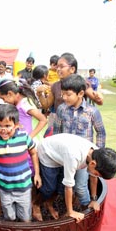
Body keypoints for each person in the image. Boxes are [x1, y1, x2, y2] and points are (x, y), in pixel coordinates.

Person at [43, 74, 106, 219]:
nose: (64, 98)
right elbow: (57, 131)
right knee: (63, 184)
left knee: (80, 187)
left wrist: (98, 153)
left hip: (85, 157)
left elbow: (101, 132)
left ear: (81, 93)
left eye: (68, 94)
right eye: (63, 94)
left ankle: (87, 211)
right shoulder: (62, 110)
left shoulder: (92, 111)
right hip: (65, 155)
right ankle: (65, 209)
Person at [36, 133, 116, 222]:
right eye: (98, 174)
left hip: (62, 155)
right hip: (48, 154)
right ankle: (35, 204)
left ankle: (48, 203)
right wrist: (70, 212)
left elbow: (93, 176)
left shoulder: (96, 154)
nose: (97, 176)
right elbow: (68, 187)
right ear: (92, 164)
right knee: (49, 188)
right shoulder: (74, 157)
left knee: (60, 187)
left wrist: (94, 200)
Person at [0, 79, 47, 220]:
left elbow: (43, 119)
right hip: (19, 146)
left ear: (11, 93)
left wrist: (28, 138)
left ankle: (32, 205)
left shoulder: (24, 104)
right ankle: (26, 204)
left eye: (4, 98)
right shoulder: (18, 104)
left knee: (31, 175)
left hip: (29, 147)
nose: (4, 101)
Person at [0, 104, 42, 222]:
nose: (3, 130)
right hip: (4, 187)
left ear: (16, 125)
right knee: (9, 216)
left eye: (8, 126)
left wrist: (37, 174)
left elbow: (34, 153)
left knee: (25, 217)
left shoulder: (24, 138)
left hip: (23, 186)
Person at [36, 53, 103, 126]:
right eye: (57, 66)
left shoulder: (81, 83)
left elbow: (99, 101)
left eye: (61, 66)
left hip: (77, 125)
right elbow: (46, 105)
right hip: (58, 124)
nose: (58, 69)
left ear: (72, 69)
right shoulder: (55, 86)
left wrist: (98, 96)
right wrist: (39, 94)